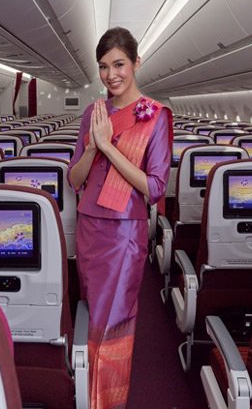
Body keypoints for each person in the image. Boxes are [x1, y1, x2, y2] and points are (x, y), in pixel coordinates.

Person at [68, 27, 173, 408]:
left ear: (136, 63)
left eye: (119, 64)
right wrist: (93, 148)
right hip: (90, 227)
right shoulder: (93, 114)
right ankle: (88, 392)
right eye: (103, 67)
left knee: (115, 319)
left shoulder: (156, 117)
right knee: (93, 315)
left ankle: (105, 401)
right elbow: (74, 179)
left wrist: (109, 148)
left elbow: (155, 188)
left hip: (125, 233)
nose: (111, 75)